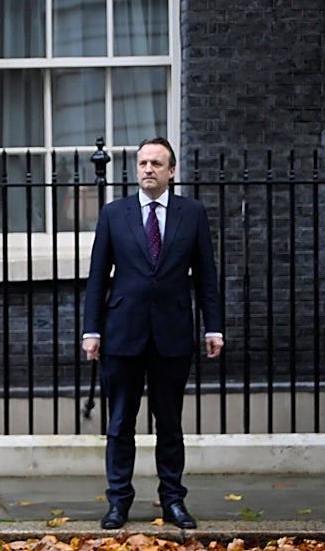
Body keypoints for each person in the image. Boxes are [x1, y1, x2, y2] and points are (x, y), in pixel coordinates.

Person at [82, 137, 225, 530]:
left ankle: (173, 501)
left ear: (172, 171)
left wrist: (213, 326)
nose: (148, 169)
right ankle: (118, 502)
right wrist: (90, 330)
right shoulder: (114, 214)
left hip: (173, 333)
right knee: (120, 423)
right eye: (143, 163)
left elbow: (206, 276)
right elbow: (98, 278)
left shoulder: (192, 214)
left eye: (157, 163)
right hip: (122, 333)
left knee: (170, 423)